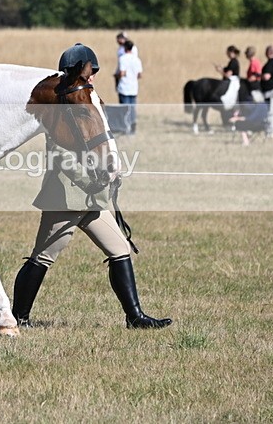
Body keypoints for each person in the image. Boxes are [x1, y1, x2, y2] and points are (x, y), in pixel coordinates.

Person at [12, 43, 171, 330]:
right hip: (66, 199)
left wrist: (110, 169)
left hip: (92, 199)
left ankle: (135, 317)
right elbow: (61, 157)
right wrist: (93, 180)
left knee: (119, 249)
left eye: (94, 71)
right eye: (90, 71)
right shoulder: (61, 110)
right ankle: (18, 318)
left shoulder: (88, 102)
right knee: (42, 258)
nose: (93, 76)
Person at [114, 40, 142, 134]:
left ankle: (125, 128)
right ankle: (133, 128)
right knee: (132, 109)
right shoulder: (137, 60)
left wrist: (116, 76)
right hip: (133, 88)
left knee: (124, 109)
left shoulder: (122, 58)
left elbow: (122, 73)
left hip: (124, 87)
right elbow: (139, 75)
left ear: (125, 48)